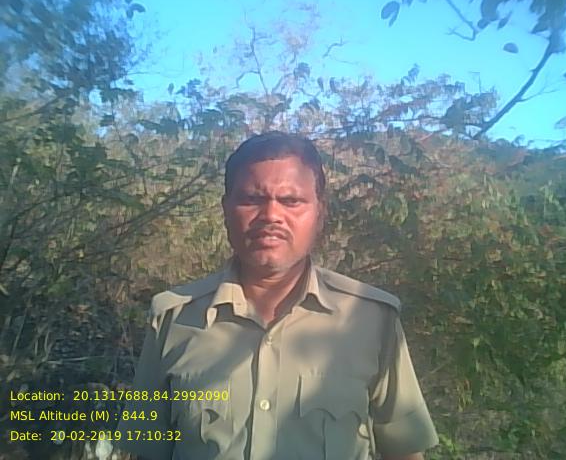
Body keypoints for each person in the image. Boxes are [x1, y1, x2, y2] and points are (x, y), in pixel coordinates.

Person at [115, 131, 438, 459]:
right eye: (252, 199)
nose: (271, 215)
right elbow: (148, 451)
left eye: (291, 201)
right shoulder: (172, 320)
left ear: (320, 213)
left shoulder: (371, 320)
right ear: (226, 210)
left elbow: (405, 451)